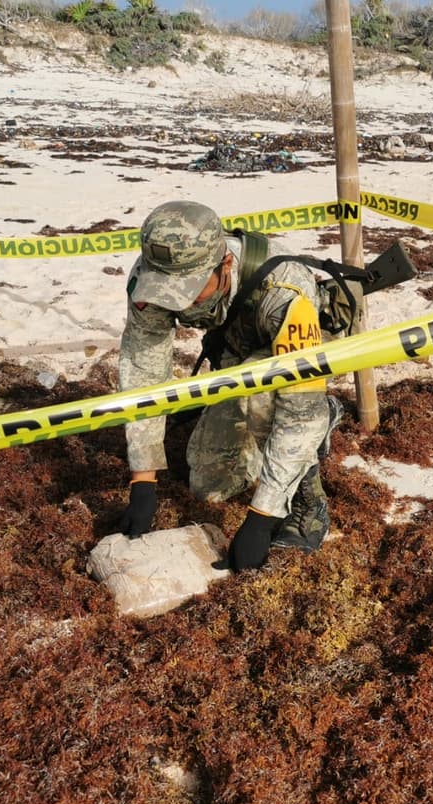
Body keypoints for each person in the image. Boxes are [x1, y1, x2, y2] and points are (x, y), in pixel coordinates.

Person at [116, 200, 341, 572]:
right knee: (211, 486)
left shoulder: (285, 291)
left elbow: (299, 411)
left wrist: (262, 515)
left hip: (293, 360)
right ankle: (271, 438)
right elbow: (144, 372)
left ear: (224, 266)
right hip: (235, 361)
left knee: (271, 403)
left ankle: (307, 501)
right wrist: (143, 478)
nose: (177, 302)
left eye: (188, 290)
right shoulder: (151, 278)